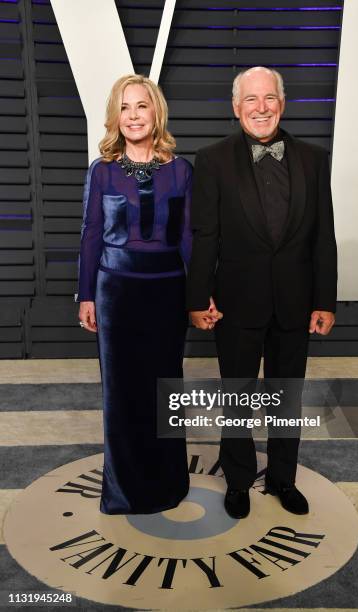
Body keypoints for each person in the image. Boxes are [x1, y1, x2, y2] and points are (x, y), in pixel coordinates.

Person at [187, 66, 337, 519]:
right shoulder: (212, 160)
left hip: (296, 302)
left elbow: (322, 235)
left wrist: (324, 300)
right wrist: (197, 298)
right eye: (251, 100)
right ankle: (237, 481)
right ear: (236, 108)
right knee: (238, 394)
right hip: (235, 304)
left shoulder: (313, 158)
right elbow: (205, 235)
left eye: (269, 98)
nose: (261, 107)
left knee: (286, 395)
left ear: (282, 102)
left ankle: (282, 478)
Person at [77, 74, 192, 514]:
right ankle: (125, 491)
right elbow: (90, 234)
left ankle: (167, 485)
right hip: (115, 292)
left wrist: (200, 295)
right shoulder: (101, 170)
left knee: (165, 390)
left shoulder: (180, 170)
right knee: (122, 393)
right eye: (125, 108)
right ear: (115, 117)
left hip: (167, 292)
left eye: (141, 106)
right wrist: (86, 295)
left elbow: (188, 239)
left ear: (155, 112)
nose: (133, 116)